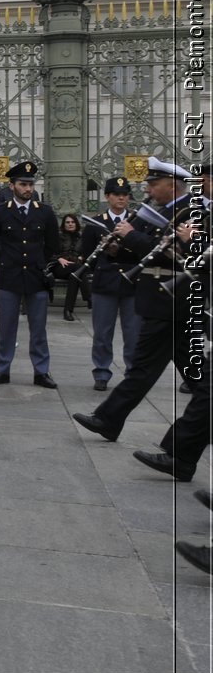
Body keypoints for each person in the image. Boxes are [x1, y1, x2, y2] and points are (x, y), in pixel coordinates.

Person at [72, 157, 208, 480]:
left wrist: (131, 236)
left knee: (145, 368)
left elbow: (178, 252)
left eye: (153, 183)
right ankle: (112, 419)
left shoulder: (190, 211)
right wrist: (118, 246)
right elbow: (145, 249)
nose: (147, 188)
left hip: (171, 302)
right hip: (160, 302)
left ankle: (111, 419)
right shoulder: (159, 211)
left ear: (171, 185)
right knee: (191, 376)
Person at [0, 160, 61, 387]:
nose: (28, 189)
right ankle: (2, 369)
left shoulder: (44, 212)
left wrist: (40, 263)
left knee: (38, 328)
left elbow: (52, 245)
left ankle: (41, 371)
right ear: (12, 186)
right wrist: (6, 262)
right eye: (23, 184)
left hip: (36, 277)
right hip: (10, 277)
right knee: (7, 327)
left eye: (30, 184)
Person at [78, 177, 141, 390]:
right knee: (103, 332)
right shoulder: (97, 223)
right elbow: (87, 256)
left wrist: (120, 250)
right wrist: (104, 250)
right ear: (107, 197)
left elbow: (144, 251)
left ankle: (132, 373)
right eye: (116, 194)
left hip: (131, 282)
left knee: (132, 332)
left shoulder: (137, 222)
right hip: (105, 283)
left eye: (125, 194)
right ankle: (102, 372)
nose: (121, 197)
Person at [55, 212, 91, 321]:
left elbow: (88, 253)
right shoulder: (58, 237)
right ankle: (89, 297)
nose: (70, 224)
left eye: (72, 222)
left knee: (74, 276)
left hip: (75, 268)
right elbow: (50, 251)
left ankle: (68, 310)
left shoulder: (82, 238)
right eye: (67, 222)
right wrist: (59, 258)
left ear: (76, 224)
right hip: (60, 267)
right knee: (78, 270)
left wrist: (82, 257)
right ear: (64, 224)